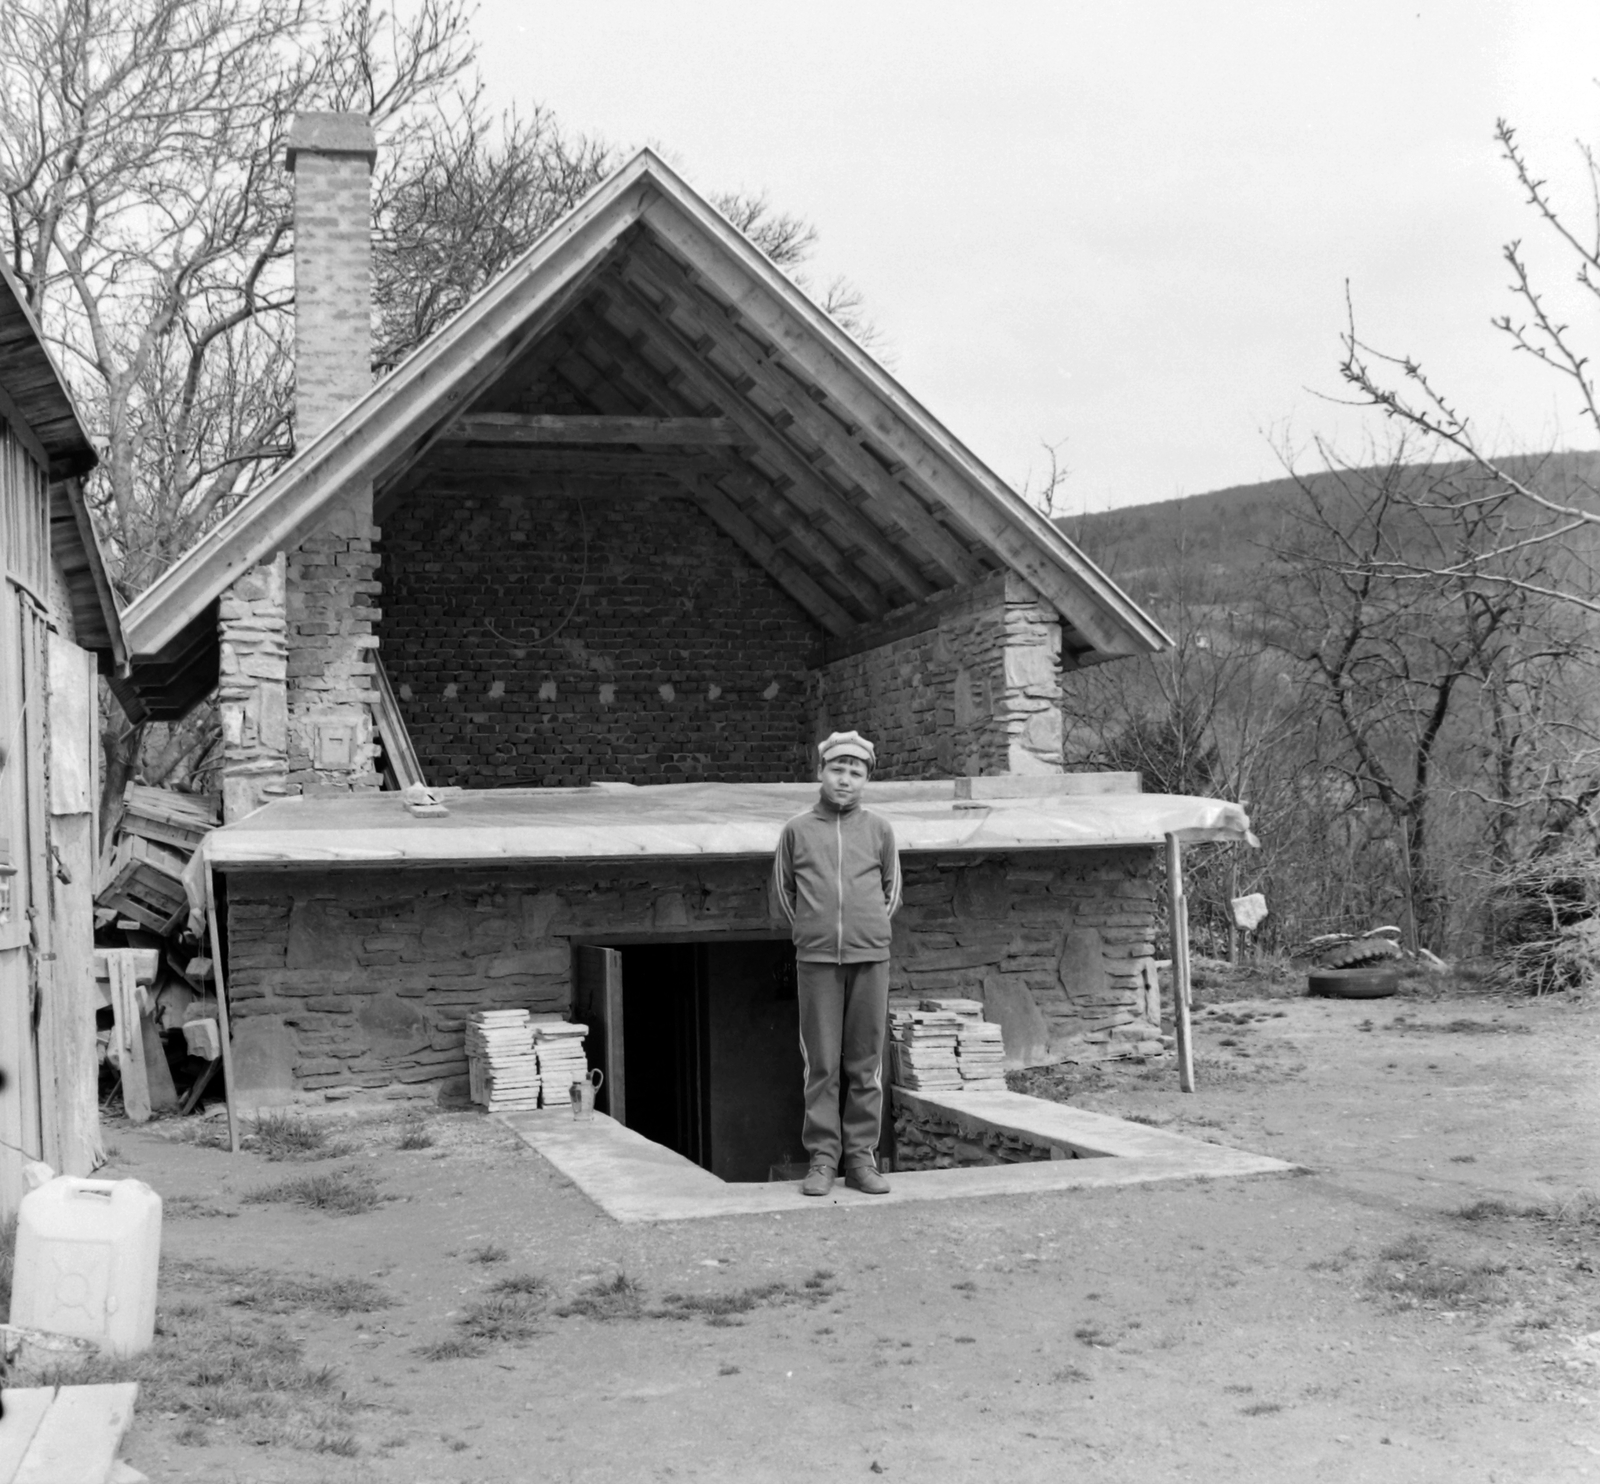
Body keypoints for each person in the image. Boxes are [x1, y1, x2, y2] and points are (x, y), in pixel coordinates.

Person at [771, 730, 902, 1196]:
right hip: (817, 961)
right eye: (837, 769)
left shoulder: (881, 830)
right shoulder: (797, 830)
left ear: (866, 778)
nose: (845, 778)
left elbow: (892, 892)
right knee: (822, 1064)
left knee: (865, 1063)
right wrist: (814, 934)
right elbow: (784, 895)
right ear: (821, 772)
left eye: (855, 771)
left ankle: (861, 1159)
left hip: (871, 959)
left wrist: (867, 934)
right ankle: (823, 1160)